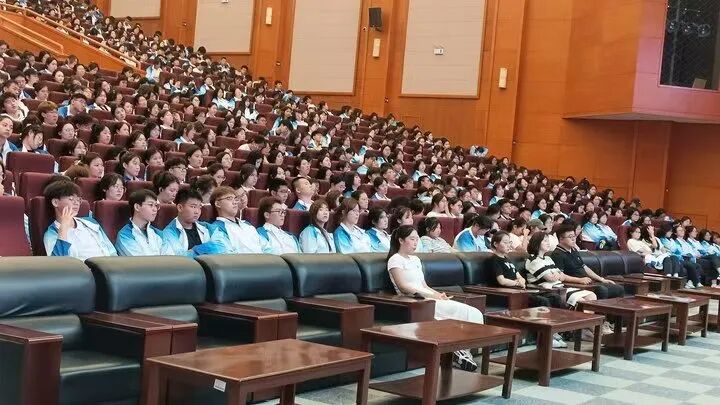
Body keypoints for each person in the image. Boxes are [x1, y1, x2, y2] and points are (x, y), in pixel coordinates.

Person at [387, 225, 483, 371]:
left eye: (417, 239)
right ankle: (459, 353)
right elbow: (403, 286)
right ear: (401, 240)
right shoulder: (395, 259)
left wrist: (437, 294)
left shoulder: (415, 259)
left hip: (428, 297)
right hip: (415, 301)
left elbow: (424, 285)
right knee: (463, 313)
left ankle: (463, 352)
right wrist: (430, 295)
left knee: (473, 312)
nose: (415, 243)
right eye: (412, 239)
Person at [487, 231, 568, 347]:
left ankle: (554, 332)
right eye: (505, 242)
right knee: (542, 301)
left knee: (554, 297)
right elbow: (502, 281)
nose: (509, 245)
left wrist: (521, 280)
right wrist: (517, 283)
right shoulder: (494, 260)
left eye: (509, 242)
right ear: (495, 244)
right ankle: (545, 337)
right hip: (505, 294)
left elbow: (518, 276)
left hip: (519, 291)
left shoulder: (507, 259)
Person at [43, 179, 117, 259]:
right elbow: (57, 262)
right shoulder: (52, 233)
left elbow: (112, 251)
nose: (76, 203)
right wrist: (63, 228)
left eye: (78, 199)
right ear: (55, 202)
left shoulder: (91, 223)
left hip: (107, 265)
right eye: (71, 199)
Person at [550, 225, 625, 299]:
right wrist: (579, 280)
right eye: (570, 237)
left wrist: (602, 279)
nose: (573, 239)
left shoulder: (574, 250)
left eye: (574, 236)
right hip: (574, 284)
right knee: (602, 290)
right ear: (561, 239)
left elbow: (584, 267)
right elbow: (561, 276)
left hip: (587, 282)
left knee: (619, 288)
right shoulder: (557, 254)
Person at [161, 188, 221, 257]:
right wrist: (205, 249)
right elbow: (178, 257)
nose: (197, 212)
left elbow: (222, 247)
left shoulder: (208, 227)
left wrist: (194, 251)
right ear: (180, 208)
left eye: (199, 207)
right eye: (193, 207)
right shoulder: (170, 232)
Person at [209, 186, 267, 254]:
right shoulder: (216, 228)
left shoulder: (247, 224)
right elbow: (225, 255)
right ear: (218, 204)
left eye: (235, 199)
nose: (235, 202)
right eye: (229, 198)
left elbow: (266, 247)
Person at [115, 189, 163, 256]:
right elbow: (138, 260)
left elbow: (169, 257)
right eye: (150, 205)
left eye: (156, 205)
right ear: (137, 207)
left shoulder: (158, 233)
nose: (155, 209)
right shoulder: (125, 235)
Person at [658, 223, 703, 288]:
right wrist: (678, 252)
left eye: (682, 230)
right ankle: (696, 282)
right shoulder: (664, 239)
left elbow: (677, 250)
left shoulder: (671, 240)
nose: (670, 232)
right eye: (680, 230)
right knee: (691, 265)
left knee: (698, 266)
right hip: (675, 258)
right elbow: (673, 249)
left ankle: (690, 282)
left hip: (680, 257)